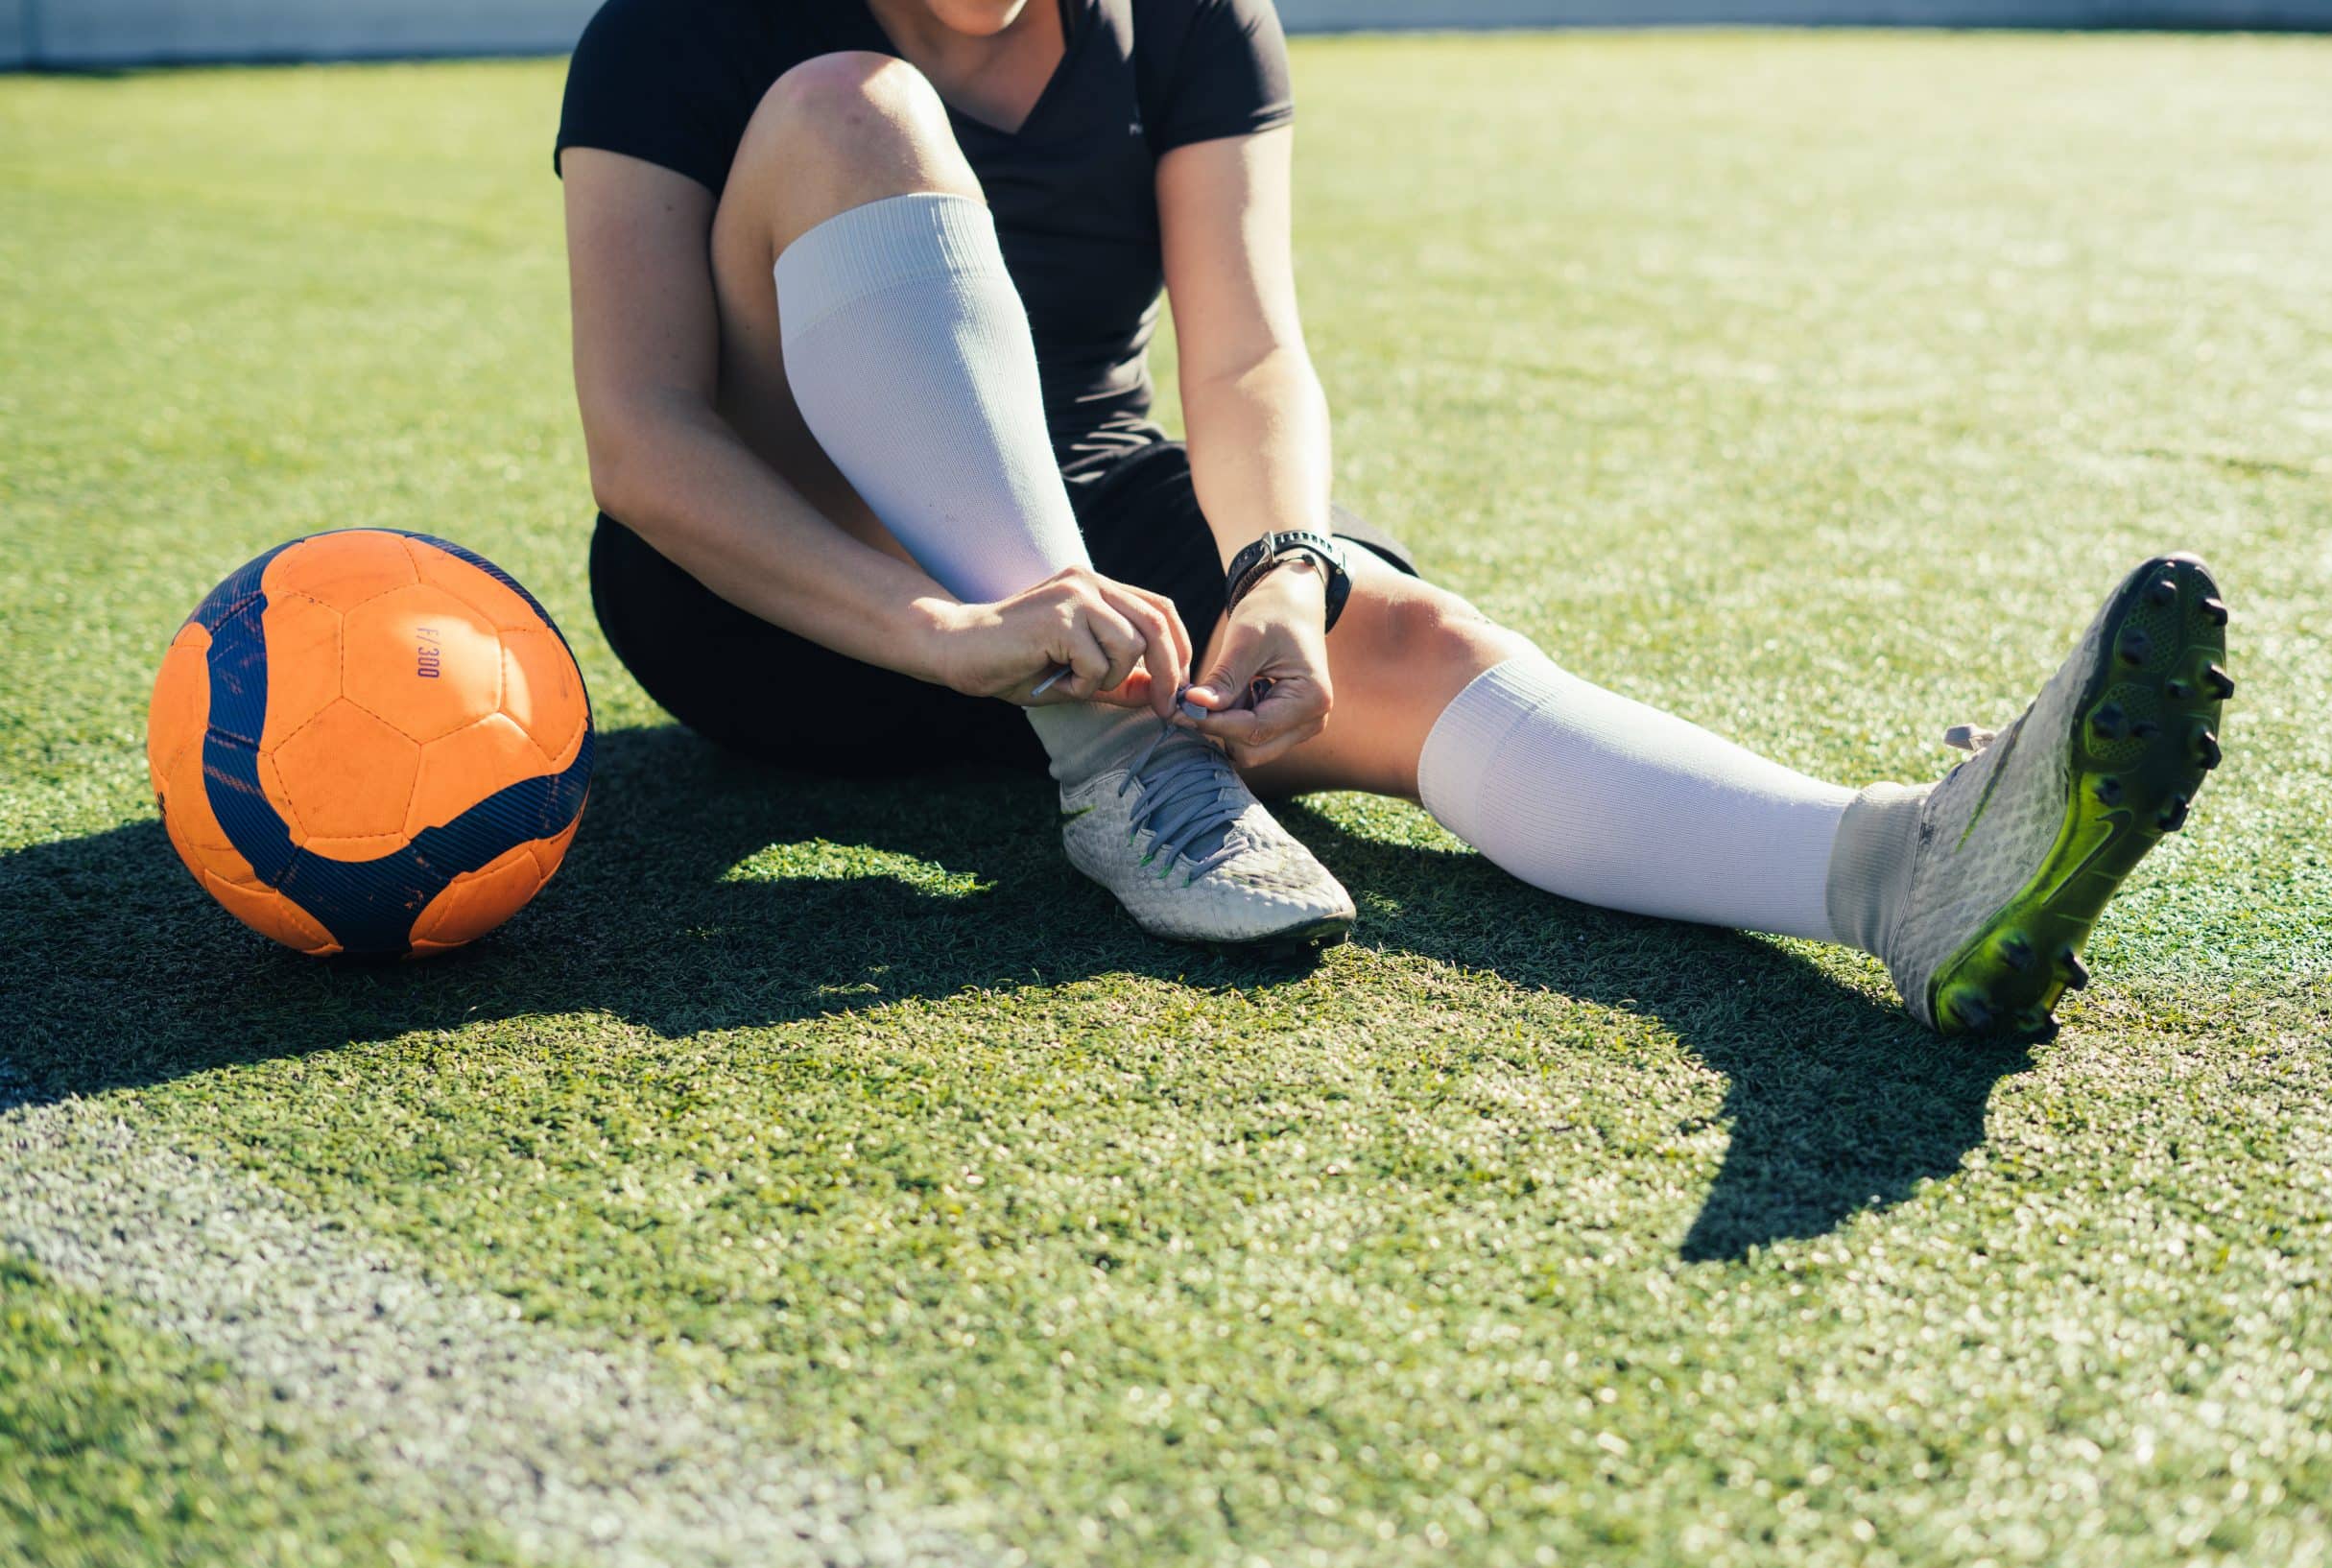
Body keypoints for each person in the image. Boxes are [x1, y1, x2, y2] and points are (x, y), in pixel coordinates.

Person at [554, 0, 2232, 1033]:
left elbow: (1249, 353)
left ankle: (1894, 875)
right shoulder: (681, 26)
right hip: (794, 602)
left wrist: (1283, 571)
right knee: (855, 105)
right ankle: (1123, 767)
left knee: (1398, 638)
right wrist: (951, 629)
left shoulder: (1192, 13)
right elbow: (643, 436)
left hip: (1101, 586)